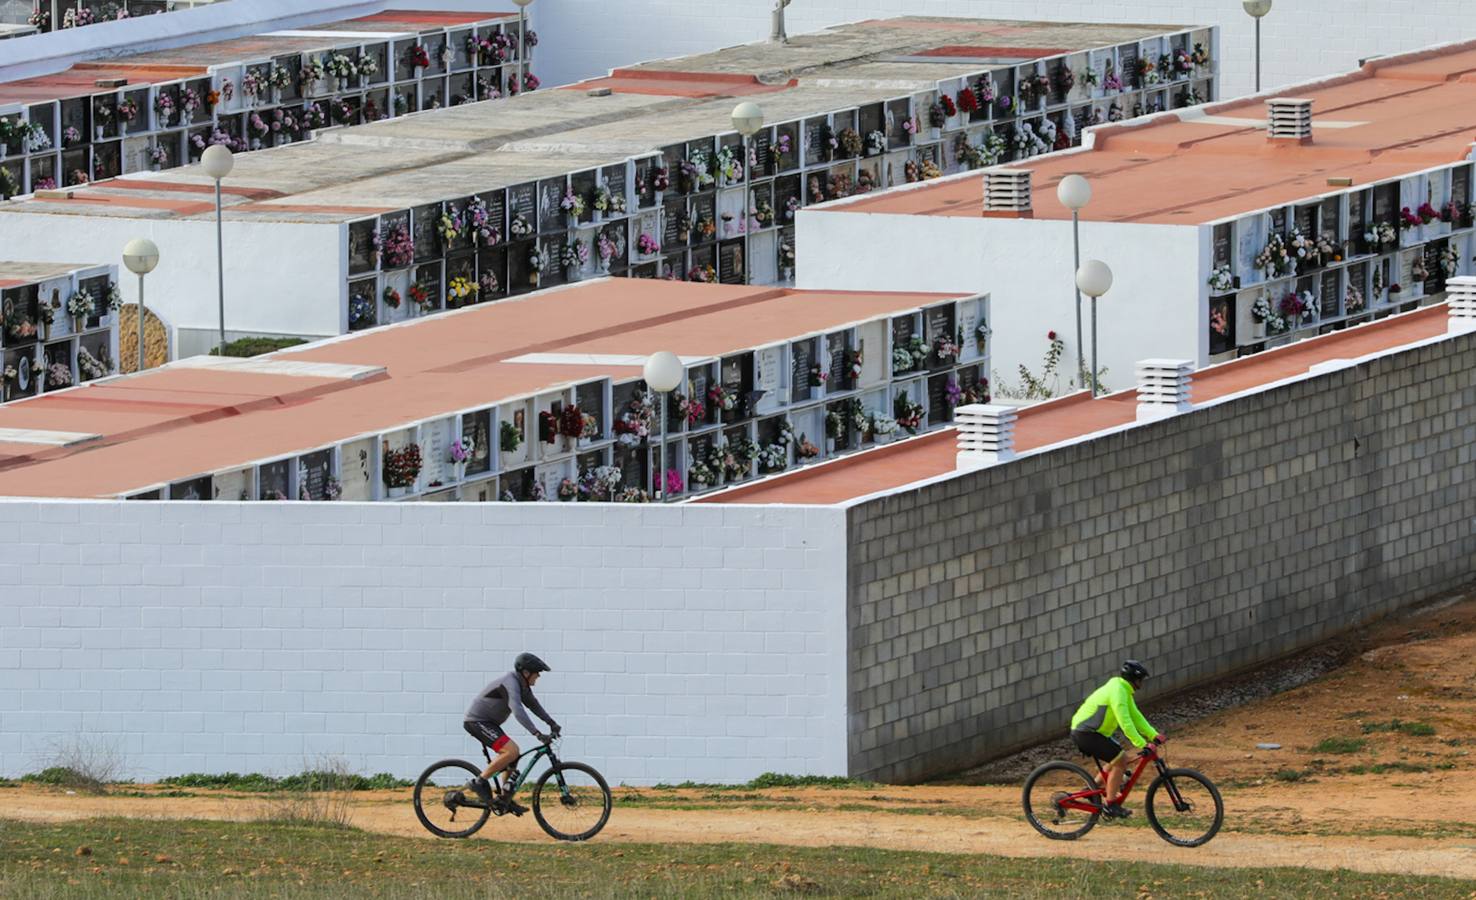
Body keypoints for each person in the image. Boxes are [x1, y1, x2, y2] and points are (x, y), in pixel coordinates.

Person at [463, 652, 560, 816]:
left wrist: (551, 723)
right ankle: (479, 782)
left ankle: (504, 799)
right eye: (537, 674)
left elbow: (533, 705)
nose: (538, 678)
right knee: (511, 750)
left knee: (513, 755)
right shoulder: (511, 683)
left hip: (489, 723)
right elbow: (518, 710)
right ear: (526, 673)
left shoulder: (522, 685)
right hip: (477, 721)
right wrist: (536, 733)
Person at [1069, 659, 1163, 819]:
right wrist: (1142, 743)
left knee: (1117, 759)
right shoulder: (1118, 691)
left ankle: (1090, 790)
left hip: (1094, 733)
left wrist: (1153, 734)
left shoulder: (1123, 689)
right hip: (1085, 732)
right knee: (1120, 760)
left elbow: (1136, 716)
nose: (1142, 683)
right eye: (1141, 680)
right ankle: (1110, 804)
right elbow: (1125, 721)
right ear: (1135, 679)